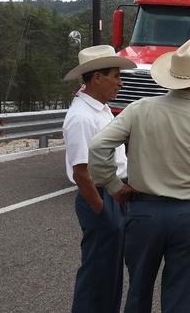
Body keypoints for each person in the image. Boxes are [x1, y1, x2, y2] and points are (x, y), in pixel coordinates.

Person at [88, 39, 190, 312]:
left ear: (171, 79)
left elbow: (97, 146)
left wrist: (114, 185)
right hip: (188, 216)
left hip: (143, 212)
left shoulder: (139, 110)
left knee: (138, 290)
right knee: (179, 295)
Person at [61, 45, 137, 313]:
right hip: (99, 195)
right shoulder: (82, 117)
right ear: (96, 78)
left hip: (110, 192)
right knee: (96, 272)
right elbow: (82, 174)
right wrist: (104, 213)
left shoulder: (99, 109)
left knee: (109, 273)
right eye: (115, 75)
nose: (120, 81)